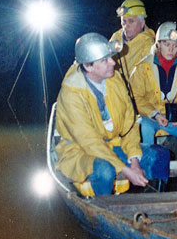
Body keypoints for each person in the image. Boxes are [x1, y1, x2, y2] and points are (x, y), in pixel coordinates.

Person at [55, 33, 170, 196]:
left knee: (160, 155)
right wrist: (125, 169)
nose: (113, 62)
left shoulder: (114, 79)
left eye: (110, 57)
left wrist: (134, 160)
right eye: (105, 60)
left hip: (113, 144)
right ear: (88, 66)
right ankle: (103, 210)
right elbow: (89, 142)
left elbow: (129, 123)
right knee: (106, 171)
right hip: (80, 151)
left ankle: (156, 203)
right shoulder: (71, 94)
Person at [129, 21, 177, 160]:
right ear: (158, 45)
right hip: (150, 117)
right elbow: (136, 98)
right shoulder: (142, 67)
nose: (171, 49)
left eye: (175, 45)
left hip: (173, 118)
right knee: (145, 127)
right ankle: (150, 172)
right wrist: (155, 115)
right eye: (167, 44)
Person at [110, 0, 155, 82]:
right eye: (124, 22)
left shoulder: (149, 44)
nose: (126, 26)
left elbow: (140, 80)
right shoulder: (116, 36)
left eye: (131, 21)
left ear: (142, 24)